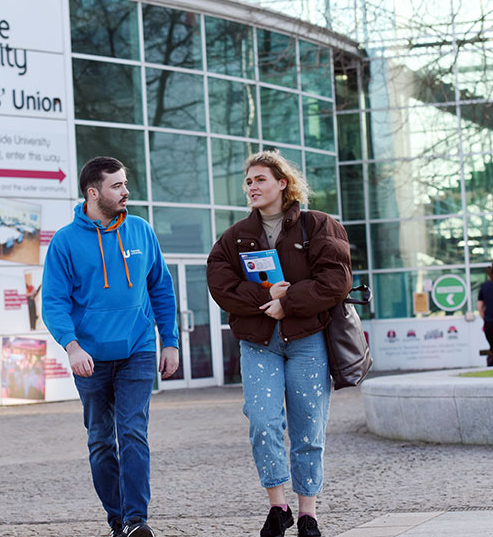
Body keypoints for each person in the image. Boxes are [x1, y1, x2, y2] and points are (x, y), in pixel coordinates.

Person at [206, 150, 352, 537]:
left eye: (260, 180)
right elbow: (220, 285)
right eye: (249, 181)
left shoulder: (319, 226)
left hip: (308, 340)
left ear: (283, 183)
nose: (252, 187)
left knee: (309, 426)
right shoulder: (235, 237)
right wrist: (265, 300)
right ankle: (278, 506)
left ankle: (308, 513)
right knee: (262, 420)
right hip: (258, 342)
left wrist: (289, 303)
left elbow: (336, 280)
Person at [42, 156, 180, 537]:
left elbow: (161, 288)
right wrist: (71, 346)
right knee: (101, 442)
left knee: (133, 431)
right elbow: (53, 302)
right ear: (93, 192)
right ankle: (118, 520)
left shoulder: (140, 231)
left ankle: (137, 520)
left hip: (137, 350)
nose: (125, 191)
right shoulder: (64, 242)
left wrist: (169, 341)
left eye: (124, 184)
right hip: (90, 359)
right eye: (116, 185)